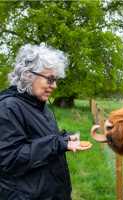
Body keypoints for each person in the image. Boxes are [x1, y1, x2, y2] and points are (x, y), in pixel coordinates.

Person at [0, 43, 88, 200]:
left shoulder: (40, 105)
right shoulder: (8, 107)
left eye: (55, 80)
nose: (54, 85)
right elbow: (9, 158)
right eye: (50, 79)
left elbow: (39, 140)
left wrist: (64, 139)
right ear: (28, 75)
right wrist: (57, 144)